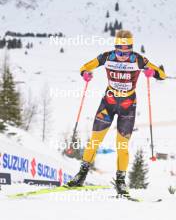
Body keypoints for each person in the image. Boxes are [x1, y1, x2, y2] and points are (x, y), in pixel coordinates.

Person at [67, 30, 167, 197]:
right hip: (108, 104)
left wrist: (153, 73)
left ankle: (120, 182)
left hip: (128, 107)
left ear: (131, 49)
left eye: (126, 52)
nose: (122, 55)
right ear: (115, 48)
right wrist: (85, 74)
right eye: (119, 51)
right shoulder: (106, 57)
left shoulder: (138, 59)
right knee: (94, 141)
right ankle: (81, 176)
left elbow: (162, 75)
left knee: (122, 146)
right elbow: (84, 67)